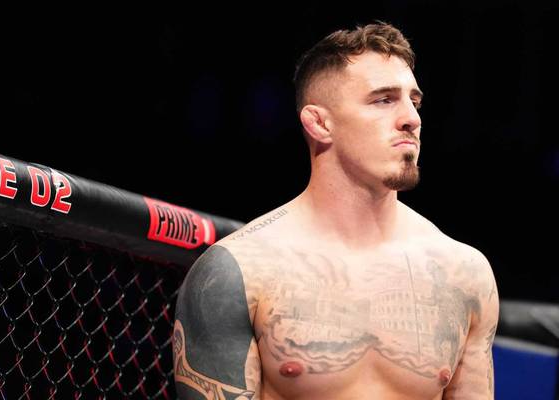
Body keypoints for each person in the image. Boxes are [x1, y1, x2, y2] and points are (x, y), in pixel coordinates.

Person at [172, 21, 499, 399]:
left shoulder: (464, 274)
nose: (412, 118)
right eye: (383, 100)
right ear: (319, 123)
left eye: (415, 101)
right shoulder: (240, 272)